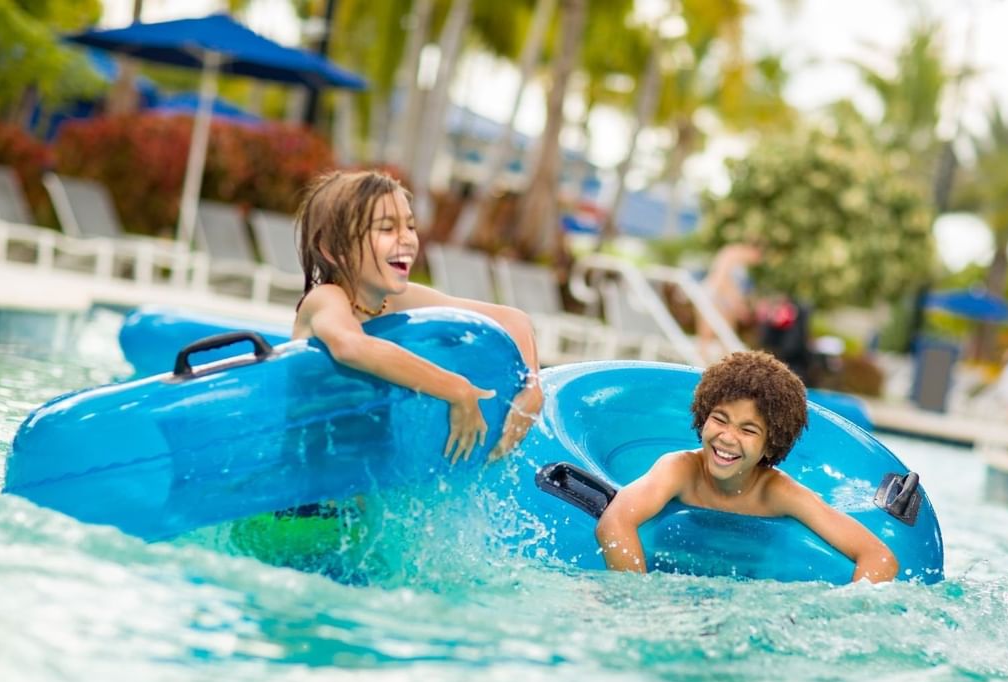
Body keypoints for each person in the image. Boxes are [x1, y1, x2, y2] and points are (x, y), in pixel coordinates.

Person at [293, 169, 543, 462]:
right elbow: (350, 346)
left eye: (410, 226)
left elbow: (512, 318)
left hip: (367, 475)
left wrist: (532, 384)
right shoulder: (325, 299)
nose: (407, 239)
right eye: (387, 228)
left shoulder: (398, 300)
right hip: (313, 485)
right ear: (334, 249)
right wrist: (456, 389)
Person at [595, 351, 899, 583]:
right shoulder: (680, 470)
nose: (728, 438)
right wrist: (634, 597)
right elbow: (615, 521)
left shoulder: (777, 492)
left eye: (748, 430)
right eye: (720, 419)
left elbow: (879, 556)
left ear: (771, 444)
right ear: (703, 416)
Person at [697, 242, 762, 357]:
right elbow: (721, 279)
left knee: (727, 335)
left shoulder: (743, 263)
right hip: (714, 296)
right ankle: (701, 362)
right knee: (707, 335)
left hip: (725, 300)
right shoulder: (731, 253)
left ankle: (724, 365)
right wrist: (737, 304)